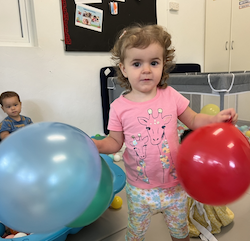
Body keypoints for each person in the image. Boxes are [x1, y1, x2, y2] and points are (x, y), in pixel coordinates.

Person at [92, 24, 238, 241]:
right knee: (135, 233)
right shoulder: (119, 107)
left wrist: (215, 120)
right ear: (123, 69)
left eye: (154, 62)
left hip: (174, 185)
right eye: (137, 63)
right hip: (139, 190)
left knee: (180, 232)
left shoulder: (170, 95)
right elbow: (114, 142)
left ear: (163, 65)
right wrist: (94, 145)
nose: (146, 70)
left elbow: (194, 119)